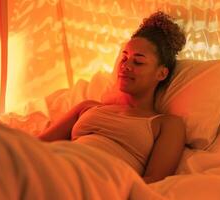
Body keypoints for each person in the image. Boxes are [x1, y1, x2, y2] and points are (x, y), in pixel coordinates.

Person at [38, 11, 186, 184]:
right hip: (56, 168)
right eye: (124, 59)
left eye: (138, 62)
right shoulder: (88, 107)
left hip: (94, 185)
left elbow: (153, 180)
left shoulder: (167, 124)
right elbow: (36, 144)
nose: (126, 66)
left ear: (161, 73)